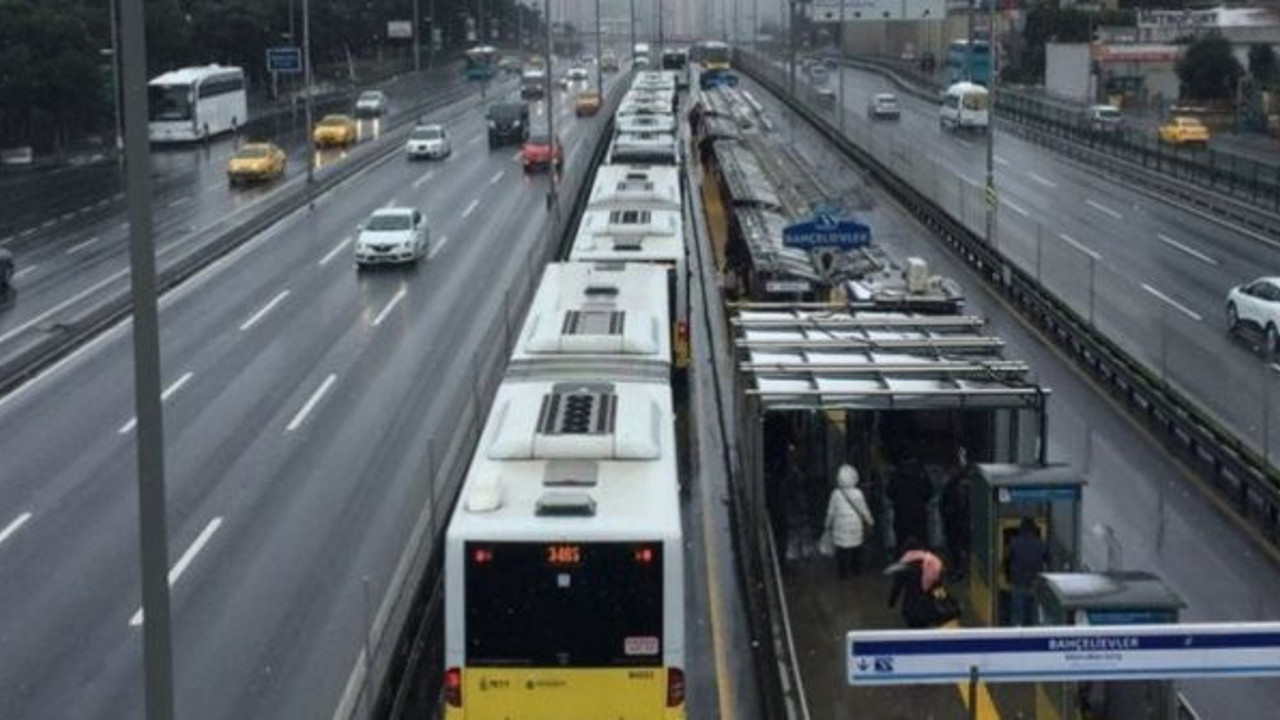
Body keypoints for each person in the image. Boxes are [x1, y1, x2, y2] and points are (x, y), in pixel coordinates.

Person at [823, 464, 874, 579]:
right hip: (855, 527)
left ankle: (843, 573)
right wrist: (870, 521)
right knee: (856, 548)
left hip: (840, 527)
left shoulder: (835, 493)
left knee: (842, 551)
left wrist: (827, 525)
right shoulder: (858, 493)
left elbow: (831, 511)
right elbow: (864, 510)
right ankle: (856, 570)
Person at [886, 538, 946, 628]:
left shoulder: (903, 567)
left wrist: (891, 603)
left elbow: (897, 588)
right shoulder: (932, 565)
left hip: (910, 609)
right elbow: (938, 588)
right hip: (929, 609)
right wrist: (944, 603)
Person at [1005, 516, 1049, 626]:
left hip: (1018, 582)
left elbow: (1006, 561)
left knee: (1018, 617)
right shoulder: (1041, 544)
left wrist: (1008, 576)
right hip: (1035, 584)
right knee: (1034, 617)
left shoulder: (1014, 543)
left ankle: (1017, 637)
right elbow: (1049, 561)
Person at [940, 447, 972, 581]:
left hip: (955, 521)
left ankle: (959, 570)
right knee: (961, 547)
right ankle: (961, 570)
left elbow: (945, 503)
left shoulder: (952, 487)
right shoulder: (966, 483)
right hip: (961, 521)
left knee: (956, 548)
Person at [890, 455, 930, 555]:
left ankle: (902, 559)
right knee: (921, 539)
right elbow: (930, 492)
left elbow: (889, 492)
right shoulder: (922, 473)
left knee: (902, 540)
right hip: (919, 512)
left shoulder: (896, 474)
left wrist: (899, 500)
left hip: (901, 512)